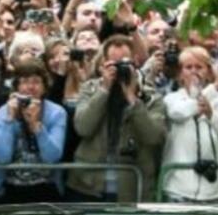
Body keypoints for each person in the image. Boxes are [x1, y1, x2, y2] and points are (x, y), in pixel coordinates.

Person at [67, 35, 167, 202]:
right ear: (103, 64)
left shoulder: (151, 97)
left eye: (124, 63)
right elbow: (83, 127)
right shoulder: (90, 89)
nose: (120, 69)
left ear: (136, 62)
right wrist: (104, 90)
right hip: (88, 185)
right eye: (114, 64)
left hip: (131, 188)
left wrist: (133, 99)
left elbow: (154, 137)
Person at [161, 46, 218, 203]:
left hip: (213, 191)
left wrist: (211, 115)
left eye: (199, 67)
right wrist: (214, 87)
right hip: (178, 188)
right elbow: (178, 113)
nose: (194, 71)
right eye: (188, 67)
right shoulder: (171, 99)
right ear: (181, 73)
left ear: (208, 72)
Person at [0, 60, 66, 203]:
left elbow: (52, 157)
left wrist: (36, 125)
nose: (30, 87)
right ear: (16, 87)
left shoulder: (56, 112)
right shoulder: (2, 112)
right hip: (10, 187)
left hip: (46, 186)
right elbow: (1, 158)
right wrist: (9, 120)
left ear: (44, 87)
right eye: (25, 82)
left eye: (36, 82)